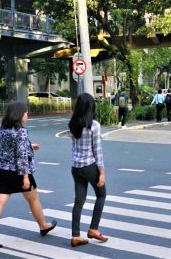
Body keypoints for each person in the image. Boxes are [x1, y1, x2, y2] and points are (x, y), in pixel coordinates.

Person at [0, 101, 56, 250]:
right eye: (26, 113)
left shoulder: (2, 129)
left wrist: (29, 145)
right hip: (18, 172)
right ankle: (43, 225)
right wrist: (25, 176)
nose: (27, 115)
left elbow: (11, 147)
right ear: (20, 115)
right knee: (33, 199)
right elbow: (22, 156)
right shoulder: (21, 131)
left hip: (2, 170)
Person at [68, 93, 108, 247]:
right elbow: (97, 151)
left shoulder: (72, 124)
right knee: (101, 194)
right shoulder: (94, 125)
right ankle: (93, 229)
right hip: (89, 166)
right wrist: (102, 173)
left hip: (75, 167)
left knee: (79, 201)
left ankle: (75, 235)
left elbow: (74, 146)